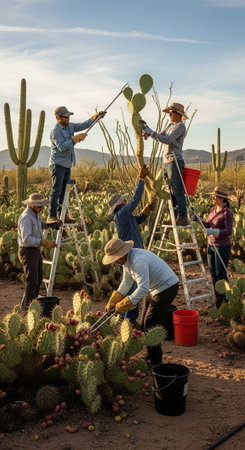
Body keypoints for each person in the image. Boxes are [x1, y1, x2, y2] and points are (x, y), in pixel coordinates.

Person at [103, 238, 179, 366]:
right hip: (154, 288)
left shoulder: (138, 260)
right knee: (144, 323)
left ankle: (156, 361)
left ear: (122, 254)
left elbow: (142, 288)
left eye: (115, 258)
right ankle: (151, 355)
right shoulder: (126, 261)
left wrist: (124, 304)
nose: (115, 262)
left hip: (167, 287)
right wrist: (114, 299)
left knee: (151, 323)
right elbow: (127, 282)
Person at [108, 165, 154, 324]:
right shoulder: (121, 214)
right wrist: (141, 179)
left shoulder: (125, 216)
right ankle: (126, 319)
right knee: (132, 289)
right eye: (123, 201)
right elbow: (135, 200)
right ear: (119, 204)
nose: (126, 201)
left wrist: (147, 210)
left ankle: (125, 318)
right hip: (129, 255)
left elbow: (139, 220)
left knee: (131, 287)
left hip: (134, 254)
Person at [48, 106, 105, 225]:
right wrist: (75, 139)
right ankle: (52, 216)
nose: (68, 118)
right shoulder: (55, 132)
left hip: (67, 164)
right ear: (58, 118)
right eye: (65, 116)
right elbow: (62, 147)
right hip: (57, 164)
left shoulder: (70, 126)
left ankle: (62, 216)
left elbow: (84, 125)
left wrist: (95, 118)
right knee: (56, 191)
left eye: (69, 116)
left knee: (64, 191)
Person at [141, 102, 188, 226]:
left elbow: (167, 139)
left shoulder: (180, 127)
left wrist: (150, 131)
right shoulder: (170, 125)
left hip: (175, 161)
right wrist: (148, 133)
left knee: (177, 190)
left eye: (171, 113)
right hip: (167, 161)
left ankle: (182, 217)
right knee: (169, 190)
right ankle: (174, 217)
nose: (169, 115)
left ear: (178, 114)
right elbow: (160, 135)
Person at [18, 193, 57, 310]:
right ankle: (28, 309)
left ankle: (32, 305)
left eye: (42, 206)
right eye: (39, 206)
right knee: (32, 282)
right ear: (32, 205)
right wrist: (43, 242)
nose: (42, 208)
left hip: (35, 250)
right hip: (28, 251)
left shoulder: (35, 214)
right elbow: (26, 239)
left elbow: (39, 225)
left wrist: (48, 225)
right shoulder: (26, 218)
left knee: (38, 279)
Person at [199, 186, 233, 308]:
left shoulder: (226, 213)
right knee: (213, 273)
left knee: (221, 274)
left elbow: (228, 231)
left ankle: (228, 301)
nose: (212, 197)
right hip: (211, 245)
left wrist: (214, 232)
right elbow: (208, 224)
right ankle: (218, 298)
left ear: (222, 198)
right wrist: (199, 220)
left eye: (215, 196)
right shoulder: (213, 209)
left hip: (221, 247)